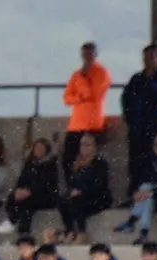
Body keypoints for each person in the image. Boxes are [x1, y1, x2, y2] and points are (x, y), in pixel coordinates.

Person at [122, 45, 157, 194]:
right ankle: (135, 193)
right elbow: (126, 98)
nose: (149, 60)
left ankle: (156, 193)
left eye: (152, 57)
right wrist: (130, 117)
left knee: (154, 161)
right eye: (146, 57)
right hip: (137, 127)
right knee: (136, 162)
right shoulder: (136, 79)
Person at [116, 132, 157, 244]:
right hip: (146, 196)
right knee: (146, 193)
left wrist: (152, 192)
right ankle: (143, 233)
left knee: (147, 192)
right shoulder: (146, 159)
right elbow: (137, 178)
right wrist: (135, 192)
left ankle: (132, 222)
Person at [62, 43, 111, 180]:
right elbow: (66, 98)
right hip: (75, 125)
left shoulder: (102, 73)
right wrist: (79, 97)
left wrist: (83, 80)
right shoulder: (76, 74)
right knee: (68, 159)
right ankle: (72, 187)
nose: (87, 57)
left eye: (90, 54)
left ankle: (88, 191)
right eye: (84, 54)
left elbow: (94, 94)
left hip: (93, 125)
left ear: (95, 54)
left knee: (93, 161)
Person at [2, 137, 60, 236]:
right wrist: (19, 190)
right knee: (15, 198)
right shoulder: (29, 163)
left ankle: (15, 225)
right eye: (36, 148)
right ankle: (20, 230)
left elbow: (45, 183)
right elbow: (22, 179)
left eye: (41, 148)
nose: (38, 150)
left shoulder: (50, 164)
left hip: (46, 196)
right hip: (28, 194)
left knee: (27, 204)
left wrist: (30, 191)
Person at [60, 134, 111, 242]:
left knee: (78, 201)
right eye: (82, 144)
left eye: (87, 145)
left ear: (94, 147)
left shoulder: (100, 163)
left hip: (97, 197)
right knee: (63, 201)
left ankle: (82, 232)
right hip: (79, 195)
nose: (84, 147)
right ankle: (70, 230)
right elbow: (71, 182)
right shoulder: (76, 164)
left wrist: (82, 191)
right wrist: (72, 191)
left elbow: (99, 184)